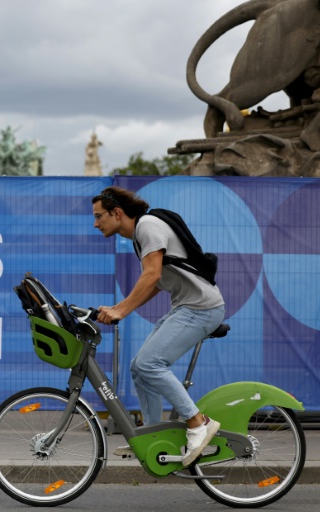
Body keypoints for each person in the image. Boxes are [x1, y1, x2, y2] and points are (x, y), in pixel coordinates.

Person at [91, 186, 225, 467]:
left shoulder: (148, 227)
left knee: (151, 364)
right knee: (139, 368)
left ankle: (199, 424)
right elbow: (156, 282)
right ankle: (154, 436)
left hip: (201, 308)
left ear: (117, 213)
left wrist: (121, 311)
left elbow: (151, 275)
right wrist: (118, 309)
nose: (96, 223)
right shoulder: (141, 236)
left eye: (99, 216)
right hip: (188, 307)